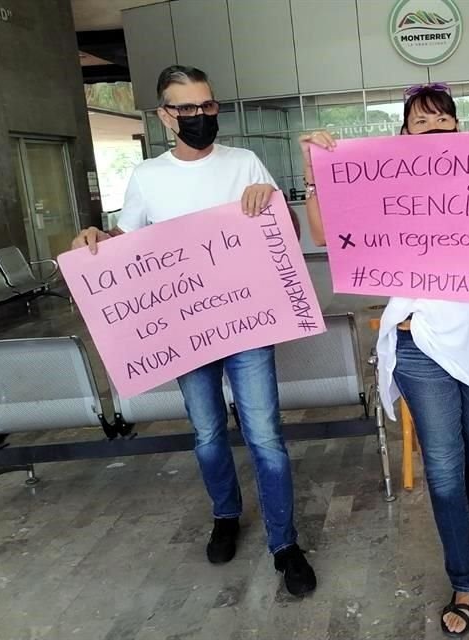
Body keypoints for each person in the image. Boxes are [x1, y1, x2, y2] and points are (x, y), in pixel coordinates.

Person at [300, 84, 469, 636]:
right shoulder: (385, 183)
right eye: (422, 120)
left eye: (445, 118)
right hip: (419, 344)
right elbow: (326, 232)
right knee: (445, 468)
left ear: (459, 127)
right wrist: (318, 173)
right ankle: (464, 579)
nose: (436, 127)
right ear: (403, 133)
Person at [70, 65, 316, 596]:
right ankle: (225, 515)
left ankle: (284, 542)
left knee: (266, 437)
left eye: (207, 106)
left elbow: (286, 232)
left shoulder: (245, 162)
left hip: (247, 322)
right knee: (207, 434)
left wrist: (268, 201)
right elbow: (125, 242)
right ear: (164, 116)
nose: (200, 116)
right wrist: (95, 237)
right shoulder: (148, 177)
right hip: (187, 332)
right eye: (187, 109)